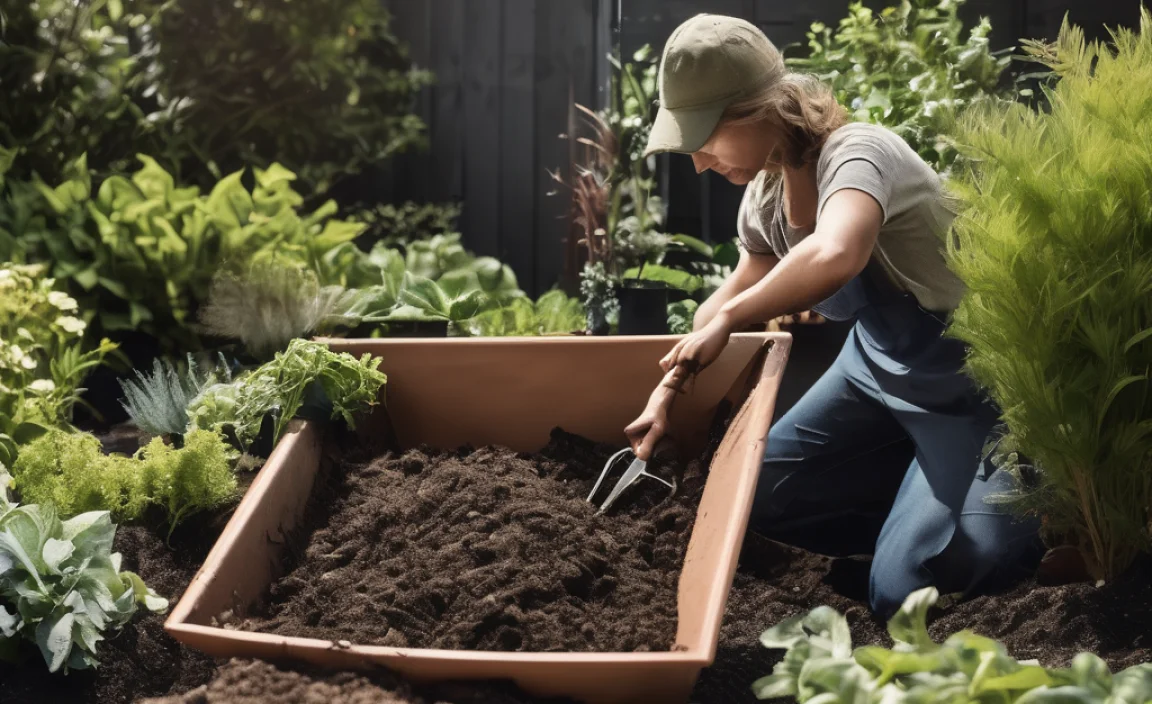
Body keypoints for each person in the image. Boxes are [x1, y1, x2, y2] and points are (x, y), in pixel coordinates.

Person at [623, 14, 1040, 617]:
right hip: (875, 367)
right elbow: (734, 291)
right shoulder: (763, 195)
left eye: (707, 135)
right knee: (752, 495)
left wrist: (729, 318)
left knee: (911, 591)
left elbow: (836, 251)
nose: (699, 161)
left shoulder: (860, 152)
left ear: (759, 109)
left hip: (973, 383)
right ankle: (919, 497)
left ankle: (979, 510)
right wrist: (663, 390)